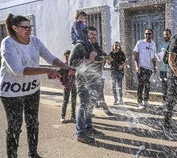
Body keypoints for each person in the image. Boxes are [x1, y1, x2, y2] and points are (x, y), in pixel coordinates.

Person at [0, 13, 74, 158]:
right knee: (15, 127)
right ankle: (12, 155)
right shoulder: (8, 43)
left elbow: (50, 57)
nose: (29, 30)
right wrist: (47, 70)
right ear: (15, 28)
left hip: (32, 90)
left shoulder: (34, 41)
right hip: (11, 93)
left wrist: (65, 66)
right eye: (25, 27)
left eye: (30, 27)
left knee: (33, 123)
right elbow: (19, 70)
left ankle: (33, 153)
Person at [69, 26, 107, 144]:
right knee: (84, 106)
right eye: (91, 34)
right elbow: (72, 62)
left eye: (95, 34)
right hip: (83, 82)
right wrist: (89, 59)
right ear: (86, 35)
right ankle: (80, 133)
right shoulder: (79, 46)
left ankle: (88, 128)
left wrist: (105, 57)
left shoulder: (95, 46)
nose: (94, 36)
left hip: (94, 81)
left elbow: (99, 59)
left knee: (90, 106)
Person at [133, 29, 157, 108]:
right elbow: (136, 55)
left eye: (149, 34)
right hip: (141, 67)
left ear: (152, 35)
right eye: (146, 34)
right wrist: (137, 66)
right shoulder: (140, 43)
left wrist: (154, 67)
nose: (147, 35)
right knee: (140, 85)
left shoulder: (153, 44)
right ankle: (139, 102)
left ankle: (146, 100)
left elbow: (153, 57)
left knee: (147, 85)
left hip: (149, 69)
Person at [59, 50, 77, 123]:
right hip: (66, 87)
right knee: (65, 101)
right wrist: (64, 83)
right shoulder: (63, 65)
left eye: (68, 56)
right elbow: (60, 76)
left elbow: (78, 74)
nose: (67, 57)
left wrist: (74, 75)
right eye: (66, 56)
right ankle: (62, 116)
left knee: (74, 101)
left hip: (74, 86)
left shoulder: (74, 65)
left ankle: (73, 116)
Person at [157, 29, 172, 108]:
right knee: (164, 87)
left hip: (171, 70)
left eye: (167, 34)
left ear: (170, 35)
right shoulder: (161, 44)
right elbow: (158, 55)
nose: (166, 36)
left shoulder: (173, 44)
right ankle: (164, 101)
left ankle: (172, 103)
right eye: (165, 35)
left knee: (171, 87)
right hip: (162, 69)